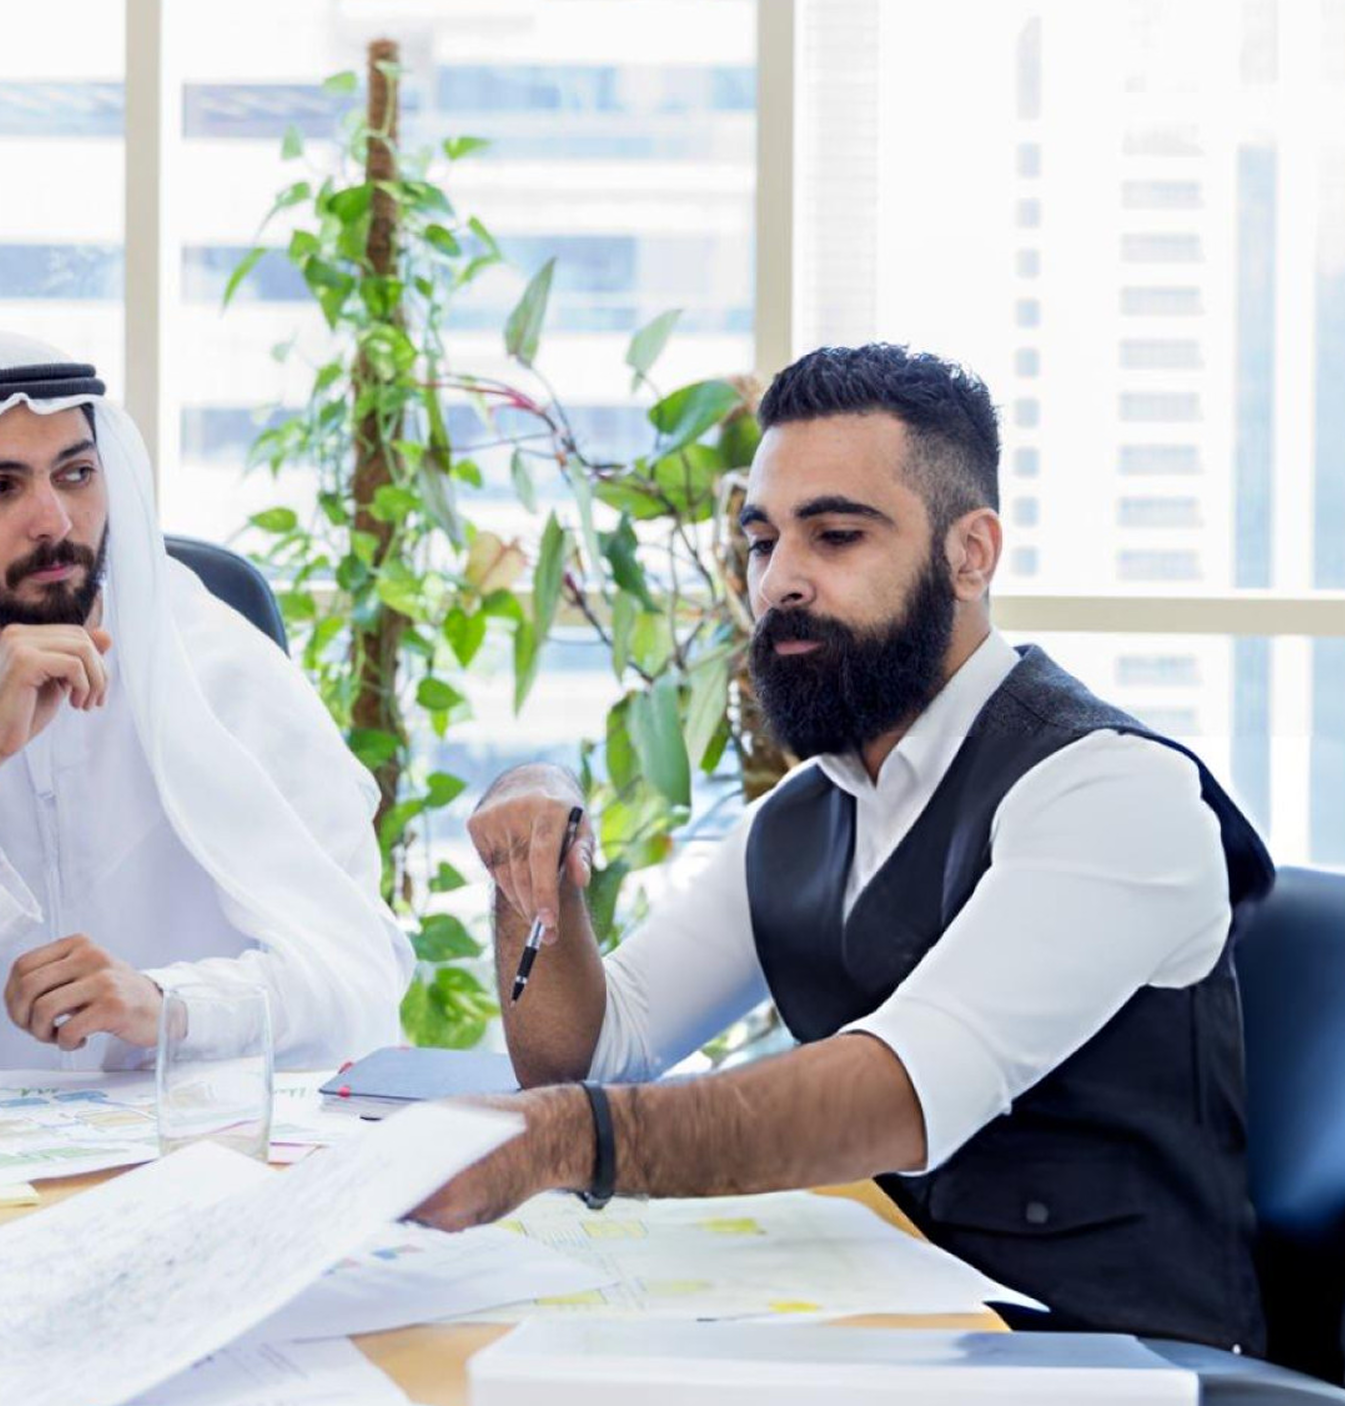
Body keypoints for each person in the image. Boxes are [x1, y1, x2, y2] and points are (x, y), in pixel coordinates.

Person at [414, 344, 1271, 1353]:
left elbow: (901, 1089)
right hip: (892, 1335)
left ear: (970, 553)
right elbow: (584, 1052)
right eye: (761, 542)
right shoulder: (800, 818)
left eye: (833, 536)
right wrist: (531, 870)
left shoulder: (1108, 791)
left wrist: (565, 1138)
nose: (777, 582)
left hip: (1100, 1378)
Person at [0, 330, 411, 1071]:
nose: (53, 520)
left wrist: (170, 1005)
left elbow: (360, 973)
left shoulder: (226, 673)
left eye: (77, 474)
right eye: (0, 487)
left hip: (192, 1154)